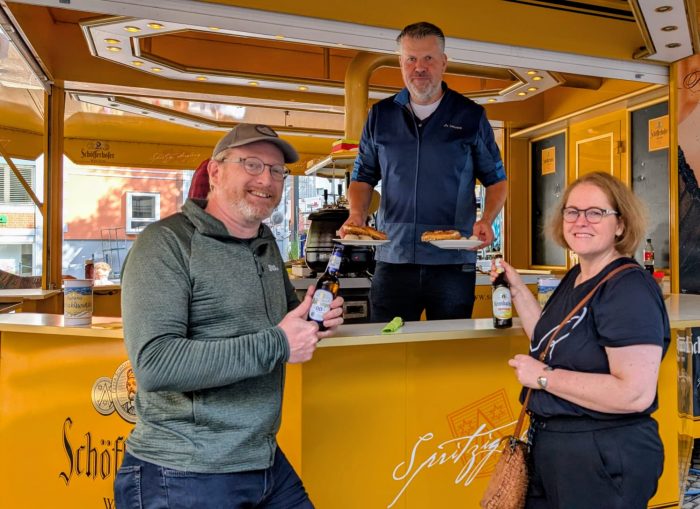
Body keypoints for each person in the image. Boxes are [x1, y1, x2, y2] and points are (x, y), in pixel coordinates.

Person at [115, 123, 344, 508]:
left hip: (262, 459)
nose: (266, 179)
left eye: (277, 170)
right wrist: (279, 343)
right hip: (184, 471)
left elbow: (284, 319)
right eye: (251, 164)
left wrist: (315, 318)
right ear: (216, 172)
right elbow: (155, 364)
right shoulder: (166, 243)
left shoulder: (264, 243)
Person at [495, 171, 669, 509]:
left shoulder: (628, 289)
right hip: (557, 451)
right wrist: (516, 289)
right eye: (572, 211)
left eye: (596, 212)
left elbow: (634, 394)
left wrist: (543, 378)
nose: (580, 221)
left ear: (620, 224)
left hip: (603, 456)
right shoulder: (578, 275)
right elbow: (551, 341)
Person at [343, 21, 507, 322]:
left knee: (447, 345)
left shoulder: (470, 115)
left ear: (444, 62)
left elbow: (497, 180)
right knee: (387, 343)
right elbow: (363, 176)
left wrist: (487, 219)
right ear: (400, 63)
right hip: (393, 258)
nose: (419, 67)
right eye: (411, 59)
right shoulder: (380, 115)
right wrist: (356, 215)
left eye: (428, 58)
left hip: (452, 262)